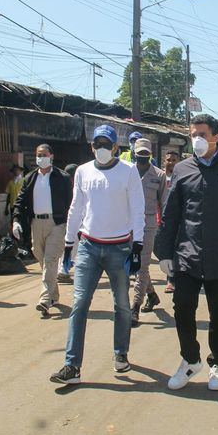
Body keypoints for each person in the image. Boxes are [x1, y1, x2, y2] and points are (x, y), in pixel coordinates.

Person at [154, 114, 218, 392]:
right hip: (187, 255)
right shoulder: (182, 169)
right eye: (193, 134)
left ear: (215, 136)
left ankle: (217, 364)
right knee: (183, 308)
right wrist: (164, 251)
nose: (196, 139)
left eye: (201, 134)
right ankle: (190, 360)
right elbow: (171, 212)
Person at [50, 125, 145, 384]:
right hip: (89, 246)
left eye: (106, 144)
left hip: (120, 247)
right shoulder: (83, 172)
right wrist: (69, 244)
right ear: (91, 146)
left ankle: (120, 354)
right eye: (97, 144)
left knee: (122, 305)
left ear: (116, 147)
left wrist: (138, 245)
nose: (101, 148)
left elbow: (138, 208)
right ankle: (72, 366)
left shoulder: (129, 172)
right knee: (79, 305)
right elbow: (76, 207)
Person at [12, 144, 72, 315]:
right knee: (41, 257)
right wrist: (16, 221)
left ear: (51, 156)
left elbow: (71, 203)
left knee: (51, 260)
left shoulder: (62, 177)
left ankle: (45, 299)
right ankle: (54, 294)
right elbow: (20, 202)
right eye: (38, 155)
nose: (41, 158)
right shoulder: (30, 178)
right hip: (36, 224)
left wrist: (72, 224)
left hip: (57, 224)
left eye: (44, 154)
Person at [131, 138, 168, 323]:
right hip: (127, 224)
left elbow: (164, 203)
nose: (142, 159)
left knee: (142, 265)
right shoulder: (126, 172)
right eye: (140, 155)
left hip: (148, 224)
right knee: (135, 265)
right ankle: (152, 294)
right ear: (134, 154)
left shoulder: (159, 175)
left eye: (146, 155)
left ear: (150, 154)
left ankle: (135, 306)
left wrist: (166, 226)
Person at [57, 164, 79, 284]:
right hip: (72, 222)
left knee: (65, 247)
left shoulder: (60, 185)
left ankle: (62, 270)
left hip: (61, 221)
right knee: (72, 246)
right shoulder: (72, 186)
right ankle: (63, 271)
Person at [163, 150, 180, 294]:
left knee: (174, 249)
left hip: (177, 219)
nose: (171, 163)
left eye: (174, 160)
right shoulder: (159, 177)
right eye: (169, 160)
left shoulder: (181, 177)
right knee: (163, 249)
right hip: (161, 219)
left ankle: (171, 280)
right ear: (164, 161)